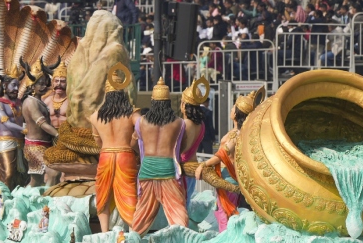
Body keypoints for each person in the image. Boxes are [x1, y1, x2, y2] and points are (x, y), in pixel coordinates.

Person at [196, 88, 263, 231]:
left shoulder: (235, 135)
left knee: (225, 214)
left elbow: (222, 154)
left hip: (228, 180)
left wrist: (203, 164)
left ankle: (226, 239)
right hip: (231, 178)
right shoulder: (244, 133)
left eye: (233, 107)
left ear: (236, 114)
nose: (231, 109)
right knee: (226, 213)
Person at [132, 78, 190, 233]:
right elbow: (182, 146)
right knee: (177, 209)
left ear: (152, 101)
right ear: (168, 102)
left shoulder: (141, 122)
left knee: (142, 211)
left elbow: (136, 143)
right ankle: (182, 239)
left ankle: (134, 238)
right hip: (167, 168)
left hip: (147, 168)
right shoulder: (179, 122)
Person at [90, 64, 139, 231]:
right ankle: (134, 232)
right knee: (129, 193)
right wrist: (131, 144)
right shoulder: (132, 113)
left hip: (105, 155)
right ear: (123, 93)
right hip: (126, 155)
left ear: (106, 94)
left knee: (103, 193)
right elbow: (141, 130)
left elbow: (97, 142)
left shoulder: (96, 116)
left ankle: (104, 232)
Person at [20, 62, 61, 186]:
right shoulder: (31, 102)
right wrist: (58, 134)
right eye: (41, 84)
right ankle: (47, 199)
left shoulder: (38, 101)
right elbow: (42, 124)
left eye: (45, 83)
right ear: (32, 86)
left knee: (36, 180)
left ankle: (28, 198)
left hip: (44, 145)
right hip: (35, 147)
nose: (44, 86)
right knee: (54, 173)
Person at [0, 73, 26, 189]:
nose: (16, 89)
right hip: (6, 142)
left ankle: (16, 201)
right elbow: (6, 123)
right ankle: (2, 200)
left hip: (21, 142)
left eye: (18, 86)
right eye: (13, 85)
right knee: (8, 173)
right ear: (4, 86)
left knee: (21, 176)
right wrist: (24, 129)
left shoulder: (20, 103)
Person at [42, 60, 70, 129]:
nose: (59, 84)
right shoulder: (46, 101)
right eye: (56, 81)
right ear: (53, 83)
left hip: (67, 135)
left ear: (68, 83)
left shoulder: (71, 101)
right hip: (50, 135)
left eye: (63, 81)